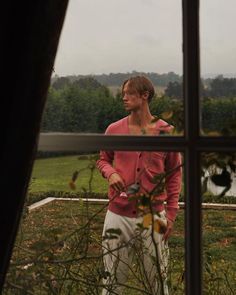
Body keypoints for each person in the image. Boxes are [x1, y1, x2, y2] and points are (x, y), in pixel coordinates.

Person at [96, 76, 182, 295]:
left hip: (155, 216)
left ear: (145, 96)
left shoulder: (165, 132)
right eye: (123, 93)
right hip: (117, 215)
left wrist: (170, 215)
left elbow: (174, 176)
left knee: (158, 281)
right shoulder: (114, 129)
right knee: (111, 281)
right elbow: (102, 159)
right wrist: (111, 172)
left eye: (129, 93)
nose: (123, 97)